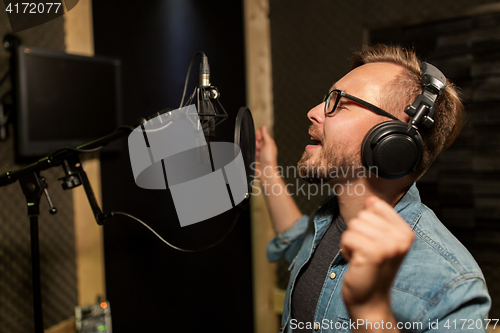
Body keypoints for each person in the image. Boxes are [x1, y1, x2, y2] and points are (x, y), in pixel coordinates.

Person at [255, 44, 491, 332]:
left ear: (393, 142)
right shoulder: (328, 222)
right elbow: (296, 240)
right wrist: (266, 168)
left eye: (338, 102)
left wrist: (371, 309)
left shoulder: (453, 286)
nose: (313, 112)